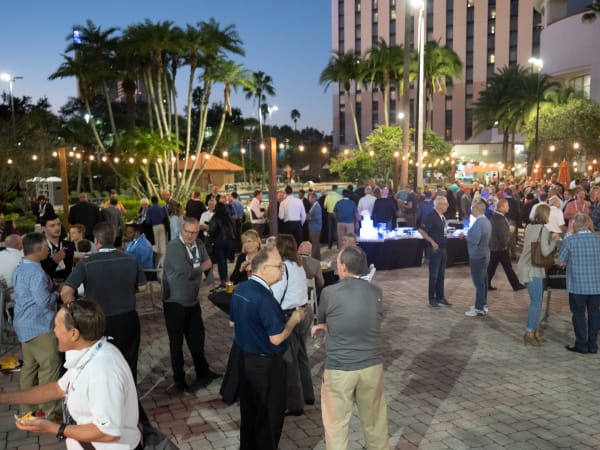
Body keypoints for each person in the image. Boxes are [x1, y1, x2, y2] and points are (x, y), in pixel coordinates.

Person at [0, 300, 141, 449]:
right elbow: (57, 389)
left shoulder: (102, 372)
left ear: (73, 334)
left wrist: (55, 428)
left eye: (56, 326)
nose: (53, 331)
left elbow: (107, 432)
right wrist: (4, 398)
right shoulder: (89, 353)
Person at [311, 245, 389, 450]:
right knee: (375, 423)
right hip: (371, 366)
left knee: (336, 426)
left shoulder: (329, 292)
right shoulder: (376, 292)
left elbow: (324, 318)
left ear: (343, 267)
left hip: (339, 369)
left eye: (337, 262)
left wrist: (324, 325)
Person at [229, 247, 306, 450]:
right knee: (269, 419)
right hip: (267, 366)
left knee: (249, 416)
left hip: (246, 361)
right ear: (263, 269)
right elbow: (276, 338)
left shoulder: (241, 289)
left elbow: (232, 322)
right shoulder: (265, 298)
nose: (282, 269)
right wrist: (294, 320)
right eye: (278, 266)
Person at [61, 222, 147, 382]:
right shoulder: (129, 259)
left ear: (96, 240)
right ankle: (129, 393)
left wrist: (75, 312)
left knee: (100, 363)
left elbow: (66, 292)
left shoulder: (87, 263)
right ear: (113, 238)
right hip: (127, 318)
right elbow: (142, 287)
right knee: (129, 361)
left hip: (97, 320)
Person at [163, 217, 221, 392]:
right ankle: (179, 380)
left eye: (194, 232)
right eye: (187, 231)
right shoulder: (174, 246)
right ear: (182, 230)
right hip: (174, 301)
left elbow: (208, 262)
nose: (190, 235)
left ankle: (202, 372)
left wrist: (206, 273)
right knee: (176, 343)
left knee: (197, 339)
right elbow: (186, 272)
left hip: (193, 300)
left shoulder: (199, 244)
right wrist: (202, 267)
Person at [12, 233, 62, 416]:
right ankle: (48, 412)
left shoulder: (20, 267)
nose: (49, 250)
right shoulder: (36, 273)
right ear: (39, 249)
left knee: (30, 369)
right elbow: (44, 302)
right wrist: (58, 293)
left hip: (24, 324)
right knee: (50, 368)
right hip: (39, 326)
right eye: (46, 247)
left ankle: (27, 409)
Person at [271, 235, 314, 416]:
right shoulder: (298, 265)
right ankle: (308, 394)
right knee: (301, 355)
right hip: (304, 311)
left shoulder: (283, 268)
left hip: (290, 315)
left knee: (290, 360)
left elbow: (275, 295)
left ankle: (295, 404)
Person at [517, 204, 559, 346]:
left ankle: (534, 331)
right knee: (536, 302)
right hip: (533, 269)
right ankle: (529, 333)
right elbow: (545, 251)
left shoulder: (529, 227)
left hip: (526, 265)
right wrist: (554, 241)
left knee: (537, 301)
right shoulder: (544, 229)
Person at [558, 214, 600, 354]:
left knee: (578, 314)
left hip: (577, 285)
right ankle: (593, 345)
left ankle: (582, 344)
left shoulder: (570, 240)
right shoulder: (598, 239)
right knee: (595, 313)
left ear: (575, 224)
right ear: (589, 224)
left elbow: (561, 261)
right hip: (596, 284)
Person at [418, 196, 451, 308]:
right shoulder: (431, 216)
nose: (447, 206)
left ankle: (440, 297)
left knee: (441, 275)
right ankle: (432, 299)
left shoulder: (442, 217)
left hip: (443, 248)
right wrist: (432, 242)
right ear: (439, 205)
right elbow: (421, 230)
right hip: (435, 249)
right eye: (445, 204)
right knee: (434, 275)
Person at [488, 199, 526, 291]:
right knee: (506, 268)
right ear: (501, 207)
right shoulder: (500, 219)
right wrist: (511, 232)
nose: (508, 208)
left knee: (493, 267)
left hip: (495, 247)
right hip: (500, 248)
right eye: (507, 206)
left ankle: (486, 284)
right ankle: (516, 285)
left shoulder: (495, 216)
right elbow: (503, 238)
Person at [464, 201, 492, 317]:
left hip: (477, 255)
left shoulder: (479, 223)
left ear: (477, 209)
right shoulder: (486, 221)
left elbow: (475, 240)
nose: (471, 210)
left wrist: (465, 236)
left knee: (479, 283)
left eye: (473, 208)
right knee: (483, 282)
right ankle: (483, 304)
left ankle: (479, 308)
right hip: (484, 254)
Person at [41, 214, 75, 283]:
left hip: (68, 285)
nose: (57, 228)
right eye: (52, 226)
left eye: (59, 224)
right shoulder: (39, 247)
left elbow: (73, 268)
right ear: (44, 228)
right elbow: (38, 272)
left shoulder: (69, 245)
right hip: (47, 286)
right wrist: (54, 261)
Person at [208, 203, 236, 286]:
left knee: (221, 261)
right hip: (229, 241)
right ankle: (225, 277)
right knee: (224, 260)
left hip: (219, 241)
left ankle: (223, 279)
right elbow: (234, 229)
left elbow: (211, 230)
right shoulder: (229, 218)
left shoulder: (215, 217)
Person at [324, 185, 342, 249]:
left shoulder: (328, 196)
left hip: (330, 214)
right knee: (337, 230)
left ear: (332, 189)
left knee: (330, 230)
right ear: (336, 189)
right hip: (337, 214)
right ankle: (338, 245)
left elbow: (324, 206)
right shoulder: (339, 196)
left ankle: (329, 246)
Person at [306, 192, 322, 260]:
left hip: (315, 227)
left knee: (314, 244)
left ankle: (313, 258)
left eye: (309, 198)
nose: (308, 199)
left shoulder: (316, 206)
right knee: (316, 243)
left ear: (314, 198)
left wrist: (309, 218)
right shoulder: (314, 205)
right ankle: (317, 257)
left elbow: (317, 217)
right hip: (314, 227)